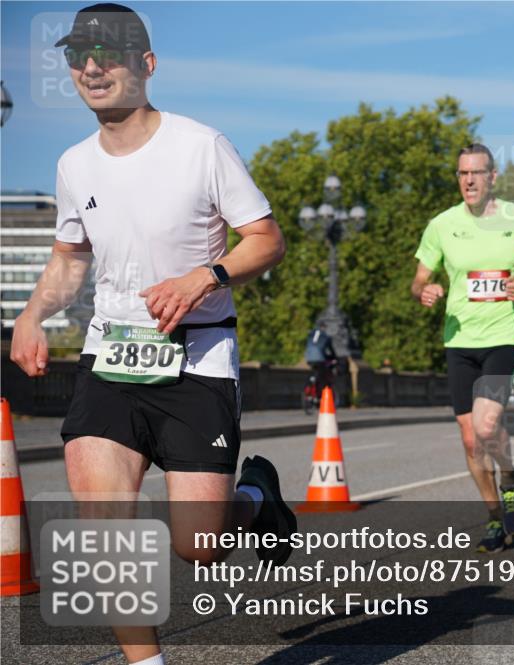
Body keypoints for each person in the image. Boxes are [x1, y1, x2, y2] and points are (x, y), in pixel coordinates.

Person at [8, 5, 294, 664]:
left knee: (201, 544)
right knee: (104, 529)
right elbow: (69, 259)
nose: (91, 67)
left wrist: (204, 277)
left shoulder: (201, 146)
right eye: (78, 55)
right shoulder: (74, 165)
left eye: (107, 53)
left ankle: (257, 498)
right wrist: (31, 314)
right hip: (110, 360)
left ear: (147, 64)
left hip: (198, 359)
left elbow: (266, 239)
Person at [411, 143, 514, 553]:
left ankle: (509, 476)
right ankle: (494, 517)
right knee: (471, 440)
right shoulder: (441, 225)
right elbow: (419, 279)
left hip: (502, 336)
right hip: (459, 340)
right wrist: (425, 290)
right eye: (462, 173)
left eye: (476, 173)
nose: (469, 180)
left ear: (493, 176)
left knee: (487, 426)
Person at [304, 322, 337, 393]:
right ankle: (319, 392)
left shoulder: (310, 334)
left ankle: (309, 384)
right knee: (322, 375)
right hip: (319, 359)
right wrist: (334, 357)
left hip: (309, 357)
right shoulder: (326, 337)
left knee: (314, 371)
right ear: (324, 328)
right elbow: (331, 350)